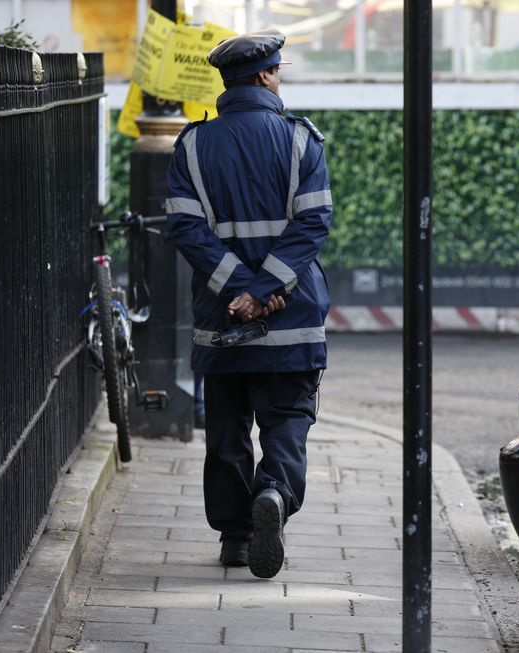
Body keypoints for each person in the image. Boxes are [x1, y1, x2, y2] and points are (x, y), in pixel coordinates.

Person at [165, 29, 332, 579]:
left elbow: (186, 229)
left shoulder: (191, 146)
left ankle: (236, 538)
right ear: (263, 75)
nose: (279, 81)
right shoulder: (300, 140)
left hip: (224, 319)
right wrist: (266, 291)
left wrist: (238, 291)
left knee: (228, 427)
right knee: (286, 420)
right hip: (292, 316)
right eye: (277, 72)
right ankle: (277, 495)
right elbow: (313, 224)